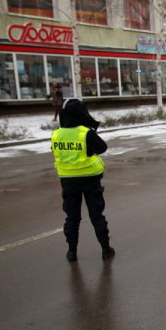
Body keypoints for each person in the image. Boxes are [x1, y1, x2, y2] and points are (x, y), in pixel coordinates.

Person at [51, 99, 114, 262]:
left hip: (68, 180)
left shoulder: (56, 134)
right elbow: (102, 148)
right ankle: (106, 249)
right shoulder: (85, 133)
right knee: (96, 215)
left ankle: (71, 251)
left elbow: (55, 152)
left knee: (72, 218)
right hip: (90, 179)